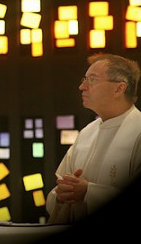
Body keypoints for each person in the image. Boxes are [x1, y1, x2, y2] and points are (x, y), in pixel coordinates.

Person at [46, 53, 141, 224]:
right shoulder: (86, 133)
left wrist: (89, 192)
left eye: (92, 79)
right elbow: (58, 190)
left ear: (119, 89)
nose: (82, 86)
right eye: (85, 79)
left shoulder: (138, 131)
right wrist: (62, 195)